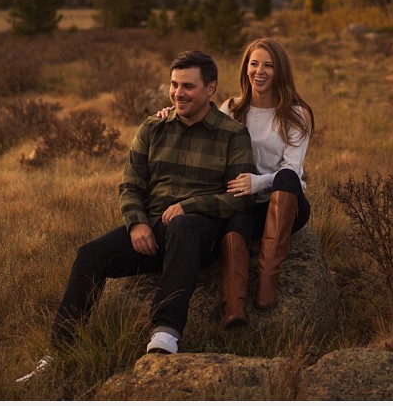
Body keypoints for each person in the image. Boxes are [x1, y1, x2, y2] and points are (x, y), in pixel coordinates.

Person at [17, 50, 256, 383]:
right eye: (174, 85)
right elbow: (130, 184)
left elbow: (239, 197)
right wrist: (138, 223)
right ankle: (58, 351)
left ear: (210, 88)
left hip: (201, 234)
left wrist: (192, 205)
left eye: (188, 86)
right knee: (90, 255)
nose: (178, 93)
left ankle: (166, 331)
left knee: (183, 224)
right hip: (154, 229)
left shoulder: (232, 135)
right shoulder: (153, 127)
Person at [157, 38, 314, 329]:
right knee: (235, 224)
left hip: (286, 201)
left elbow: (292, 169)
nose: (260, 71)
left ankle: (266, 286)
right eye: (254, 64)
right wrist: (170, 116)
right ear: (246, 68)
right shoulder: (232, 108)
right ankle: (234, 308)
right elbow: (201, 121)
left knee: (288, 176)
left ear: (280, 71)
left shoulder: (296, 114)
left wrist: (257, 183)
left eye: (268, 65)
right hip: (246, 203)